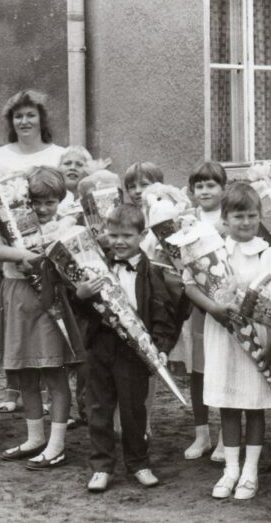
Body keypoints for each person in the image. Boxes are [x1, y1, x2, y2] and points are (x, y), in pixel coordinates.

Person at [185, 182, 271, 500]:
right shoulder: (211, 250)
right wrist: (214, 309)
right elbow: (190, 285)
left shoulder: (267, 252)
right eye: (237, 216)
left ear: (260, 217)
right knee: (229, 404)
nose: (245, 222)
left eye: (251, 216)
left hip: (258, 336)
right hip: (222, 334)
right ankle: (230, 469)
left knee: (254, 405)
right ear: (225, 218)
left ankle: (250, 471)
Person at [78, 203, 184, 493]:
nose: (119, 242)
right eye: (113, 235)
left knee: (134, 410)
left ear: (141, 235)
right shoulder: (95, 265)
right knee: (98, 408)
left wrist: (161, 347)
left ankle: (139, 462)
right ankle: (101, 466)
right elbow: (83, 310)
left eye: (126, 235)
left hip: (134, 352)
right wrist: (82, 294)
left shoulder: (152, 273)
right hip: (101, 346)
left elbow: (163, 313)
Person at [0, 89, 68, 415]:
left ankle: (54, 403)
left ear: (42, 119)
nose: (25, 120)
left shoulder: (60, 154)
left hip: (52, 261)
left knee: (50, 339)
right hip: (16, 265)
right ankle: (14, 390)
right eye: (18, 115)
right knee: (20, 338)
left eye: (31, 114)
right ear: (10, 121)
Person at [0, 167, 86, 470]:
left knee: (54, 372)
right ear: (25, 202)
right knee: (25, 374)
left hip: (49, 303)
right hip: (16, 298)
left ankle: (56, 445)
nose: (43, 209)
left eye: (50, 203)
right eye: (36, 203)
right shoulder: (12, 223)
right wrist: (22, 256)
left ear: (60, 201)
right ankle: (35, 438)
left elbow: (71, 266)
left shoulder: (63, 227)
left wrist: (46, 260)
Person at [181, 160, 228, 462]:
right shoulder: (186, 219)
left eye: (211, 185)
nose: (205, 191)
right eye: (200, 186)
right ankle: (202, 434)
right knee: (197, 370)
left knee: (222, 368)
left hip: (224, 302)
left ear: (224, 189)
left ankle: (227, 436)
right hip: (197, 303)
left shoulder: (230, 217)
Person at [59, 145, 93, 213]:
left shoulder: (94, 201)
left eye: (79, 165)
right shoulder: (48, 198)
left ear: (88, 171)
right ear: (58, 168)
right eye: (67, 163)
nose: (73, 168)